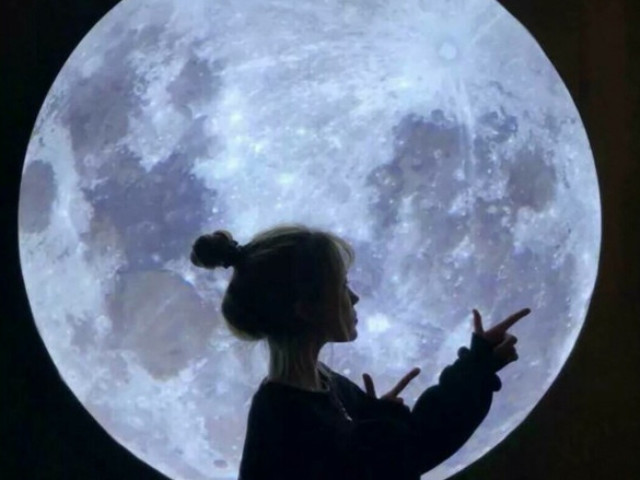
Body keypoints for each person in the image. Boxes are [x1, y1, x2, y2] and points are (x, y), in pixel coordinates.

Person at [190, 224, 530, 480]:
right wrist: (476, 368)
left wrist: (381, 420)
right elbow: (409, 452)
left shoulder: (319, 385)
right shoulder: (290, 423)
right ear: (306, 309)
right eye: (342, 286)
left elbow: (408, 448)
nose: (354, 298)